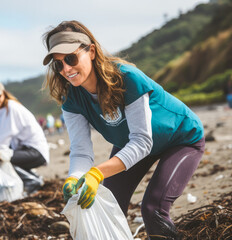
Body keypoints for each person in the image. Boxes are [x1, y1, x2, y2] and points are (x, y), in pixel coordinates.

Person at [42, 20, 204, 240]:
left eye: (70, 58)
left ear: (90, 51)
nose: (66, 69)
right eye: (58, 64)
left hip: (181, 138)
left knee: (152, 209)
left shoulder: (127, 78)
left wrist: (97, 173)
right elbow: (81, 151)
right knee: (108, 206)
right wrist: (75, 178)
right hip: (132, 142)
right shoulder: (71, 100)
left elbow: (142, 141)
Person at [0, 82, 50, 194]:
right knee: (1, 158)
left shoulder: (12, 107)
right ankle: (34, 178)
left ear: (4, 94)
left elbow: (5, 134)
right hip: (22, 150)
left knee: (3, 159)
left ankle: (32, 182)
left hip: (35, 151)